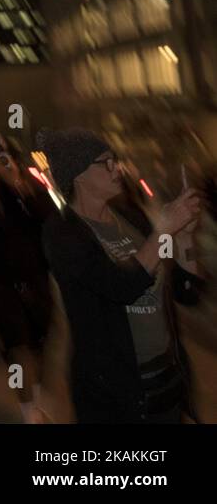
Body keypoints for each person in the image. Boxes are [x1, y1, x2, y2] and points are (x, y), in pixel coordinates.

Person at [39, 128, 205, 423]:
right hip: (115, 393)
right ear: (78, 174)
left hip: (167, 380)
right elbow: (121, 287)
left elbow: (186, 291)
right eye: (106, 163)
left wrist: (184, 240)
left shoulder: (132, 217)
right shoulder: (63, 233)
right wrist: (164, 229)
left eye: (116, 161)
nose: (118, 169)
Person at [0, 143, 54, 422]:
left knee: (38, 349)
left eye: (6, 160)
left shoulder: (33, 188)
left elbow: (50, 220)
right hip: (6, 288)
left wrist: (21, 188)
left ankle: (36, 398)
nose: (2, 166)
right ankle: (28, 411)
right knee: (18, 348)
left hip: (37, 284)